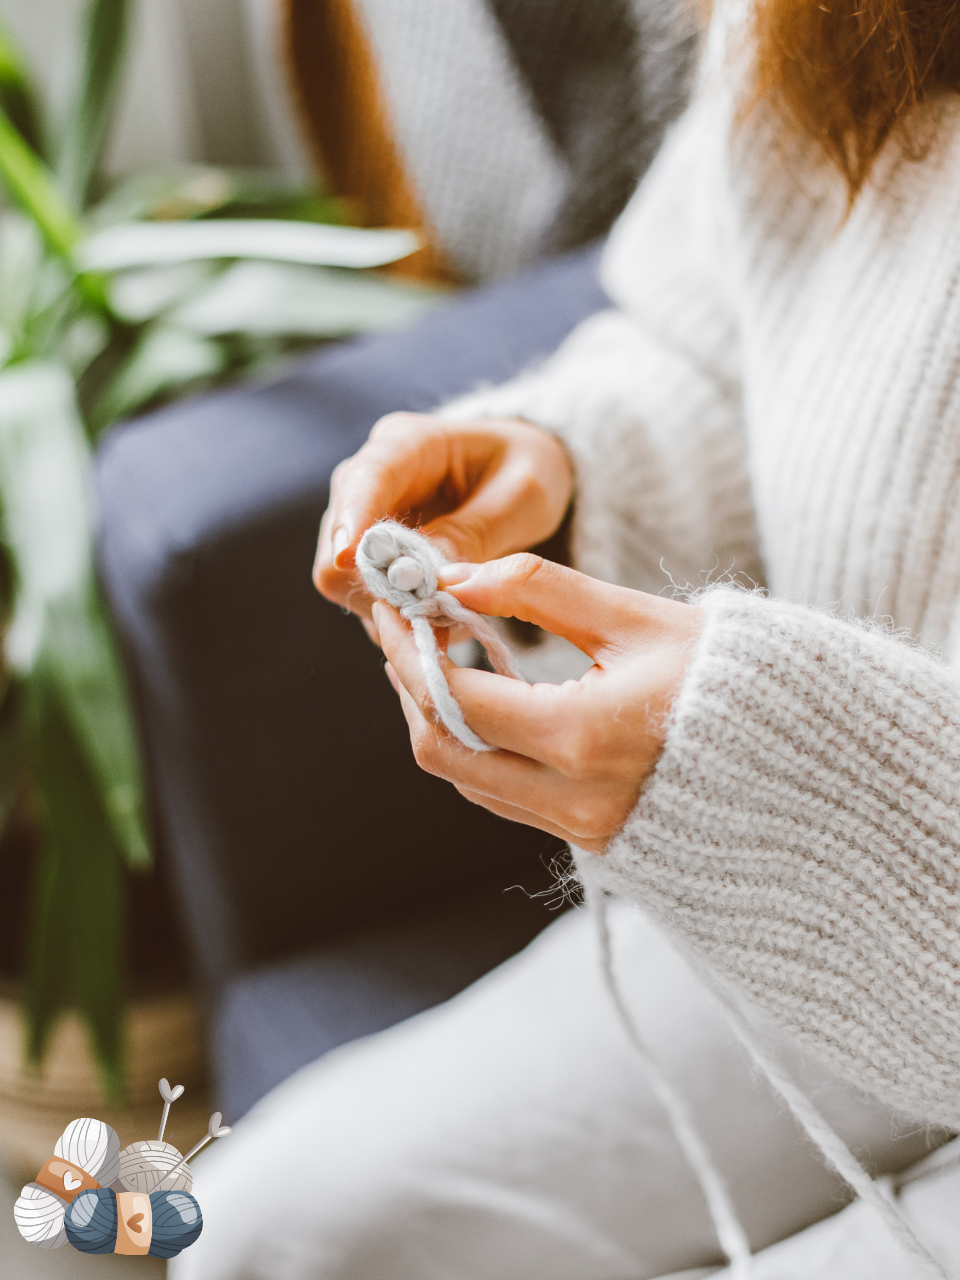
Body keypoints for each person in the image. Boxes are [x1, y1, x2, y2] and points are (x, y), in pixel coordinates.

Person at [172, 1, 960, 1275]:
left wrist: (767, 757)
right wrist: (568, 476)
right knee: (269, 1236)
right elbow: (709, 341)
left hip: (883, 868)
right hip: (824, 914)